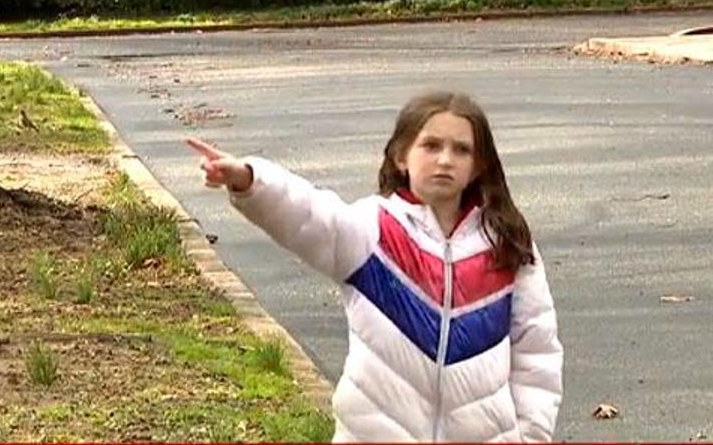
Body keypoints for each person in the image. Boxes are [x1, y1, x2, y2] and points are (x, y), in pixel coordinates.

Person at [187, 90, 563, 442]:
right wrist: (250, 179)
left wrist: (530, 436)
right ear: (401, 156)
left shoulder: (506, 243)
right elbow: (309, 215)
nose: (445, 159)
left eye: (461, 149)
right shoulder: (373, 231)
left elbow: (536, 350)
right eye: (430, 145)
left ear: (478, 165)